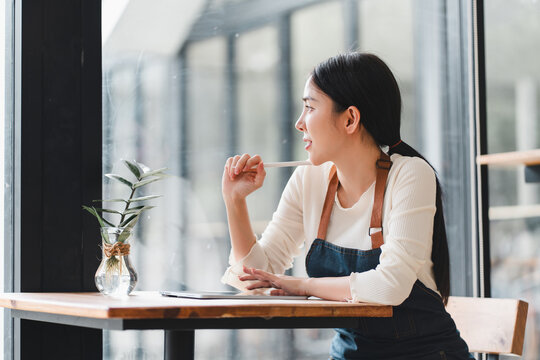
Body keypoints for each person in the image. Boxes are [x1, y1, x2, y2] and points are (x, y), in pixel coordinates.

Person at [220, 52, 473, 360]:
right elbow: (258, 280)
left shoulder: (410, 175)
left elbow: (390, 286)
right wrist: (235, 201)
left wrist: (300, 285)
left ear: (350, 119)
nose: (299, 123)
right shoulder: (308, 180)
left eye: (310, 107)